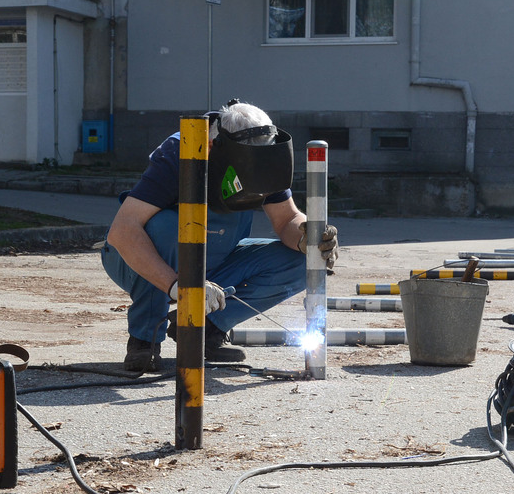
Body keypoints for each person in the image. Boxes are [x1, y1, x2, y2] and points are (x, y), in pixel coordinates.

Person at [101, 99, 338, 372]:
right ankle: (145, 340)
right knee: (165, 227)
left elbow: (287, 219)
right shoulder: (180, 151)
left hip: (215, 257)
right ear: (215, 147)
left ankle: (209, 329)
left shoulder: (265, 157)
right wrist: (179, 286)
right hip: (142, 261)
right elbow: (123, 232)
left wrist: (308, 236)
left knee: (303, 260)